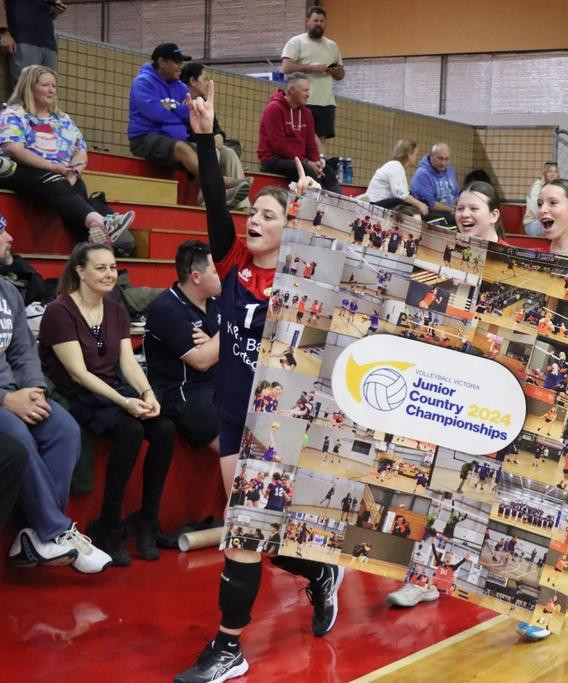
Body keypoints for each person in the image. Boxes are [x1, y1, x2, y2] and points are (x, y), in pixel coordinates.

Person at [173, 82, 343, 683]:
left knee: (244, 532)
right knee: (257, 533)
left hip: (279, 424)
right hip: (230, 413)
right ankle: (319, 571)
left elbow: (344, 252)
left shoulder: (305, 276)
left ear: (290, 227)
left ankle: (229, 647)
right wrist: (204, 135)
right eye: (256, 214)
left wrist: (316, 205)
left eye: (269, 215)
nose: (255, 221)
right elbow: (216, 205)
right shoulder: (231, 265)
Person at [38, 242, 176, 566]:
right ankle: (109, 527)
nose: (109, 273)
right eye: (100, 268)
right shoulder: (60, 310)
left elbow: (128, 362)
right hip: (76, 393)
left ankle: (147, 520)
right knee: (129, 430)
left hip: (111, 389)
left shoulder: (115, 309)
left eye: (113, 267)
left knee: (165, 428)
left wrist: (146, 394)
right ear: (80, 272)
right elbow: (78, 372)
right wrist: (125, 402)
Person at [0, 218, 112, 573]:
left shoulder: (8, 292)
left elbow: (22, 351)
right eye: (1, 232)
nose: (10, 237)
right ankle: (53, 530)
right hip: (2, 400)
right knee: (16, 434)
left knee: (64, 428)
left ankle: (37, 536)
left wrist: (33, 389)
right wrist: (4, 401)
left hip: (17, 391)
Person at [0, 65, 135, 247]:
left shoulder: (62, 118)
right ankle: (102, 223)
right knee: (55, 180)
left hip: (60, 174)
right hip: (18, 170)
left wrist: (75, 172)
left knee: (77, 186)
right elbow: (13, 149)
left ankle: (90, 245)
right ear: (29, 87)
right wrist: (54, 168)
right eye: (45, 85)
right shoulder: (14, 113)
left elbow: (80, 150)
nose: (51, 90)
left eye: (54, 86)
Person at [128, 43, 244, 203]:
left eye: (181, 63)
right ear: (162, 62)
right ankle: (219, 184)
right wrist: (179, 110)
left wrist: (171, 107)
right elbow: (155, 114)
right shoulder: (143, 83)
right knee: (182, 148)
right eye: (176, 63)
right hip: (145, 138)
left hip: (174, 139)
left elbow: (191, 114)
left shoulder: (181, 88)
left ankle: (236, 202)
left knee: (214, 150)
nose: (180, 67)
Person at [143, 240, 222, 451]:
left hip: (219, 384)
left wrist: (216, 343)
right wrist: (232, 329)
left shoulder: (217, 303)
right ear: (196, 277)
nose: (224, 275)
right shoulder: (165, 309)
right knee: (239, 454)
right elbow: (203, 361)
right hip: (184, 393)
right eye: (217, 271)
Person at [180, 61, 251, 210]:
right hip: (189, 145)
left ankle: (242, 205)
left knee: (230, 153)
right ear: (192, 81)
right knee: (213, 151)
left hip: (208, 142)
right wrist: (209, 139)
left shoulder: (205, 101)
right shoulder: (182, 101)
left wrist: (219, 136)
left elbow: (217, 128)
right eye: (204, 79)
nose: (208, 83)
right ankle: (206, 200)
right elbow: (185, 132)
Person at [257, 73, 340, 193]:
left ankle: (340, 203)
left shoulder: (307, 114)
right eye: (305, 90)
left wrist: (316, 163)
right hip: (273, 159)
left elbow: (311, 144)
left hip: (299, 160)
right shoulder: (274, 109)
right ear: (291, 90)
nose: (308, 94)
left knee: (328, 171)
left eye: (308, 90)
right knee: (307, 169)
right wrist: (307, 162)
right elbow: (279, 144)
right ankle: (319, 203)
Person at [280, 5, 344, 149]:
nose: (318, 24)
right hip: (304, 100)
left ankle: (318, 165)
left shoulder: (332, 46)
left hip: (326, 102)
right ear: (307, 21)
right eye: (315, 20)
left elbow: (341, 73)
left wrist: (332, 70)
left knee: (321, 140)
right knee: (301, 137)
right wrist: (311, 68)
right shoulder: (296, 42)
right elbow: (286, 67)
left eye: (321, 21)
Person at [0, 0, 64, 81]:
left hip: (49, 42)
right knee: (26, 87)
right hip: (23, 39)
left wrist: (55, 11)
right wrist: (4, 31)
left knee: (48, 87)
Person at [365, 139, 428, 215]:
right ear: (409, 154)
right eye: (416, 155)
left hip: (376, 204)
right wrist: (420, 204)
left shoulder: (395, 165)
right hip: (375, 205)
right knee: (403, 202)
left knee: (411, 202)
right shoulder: (396, 166)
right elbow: (401, 195)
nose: (417, 158)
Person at [410, 143, 459, 225]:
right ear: (431, 156)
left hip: (452, 211)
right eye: (440, 158)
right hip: (433, 214)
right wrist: (452, 210)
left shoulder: (450, 169)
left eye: (447, 159)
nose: (443, 163)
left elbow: (456, 193)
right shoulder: (422, 174)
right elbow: (430, 205)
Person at [522, 161, 559, 236]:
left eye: (555, 172)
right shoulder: (538, 186)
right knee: (557, 226)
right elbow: (536, 209)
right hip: (533, 223)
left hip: (549, 221)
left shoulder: (557, 188)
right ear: (544, 174)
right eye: (549, 172)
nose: (553, 174)